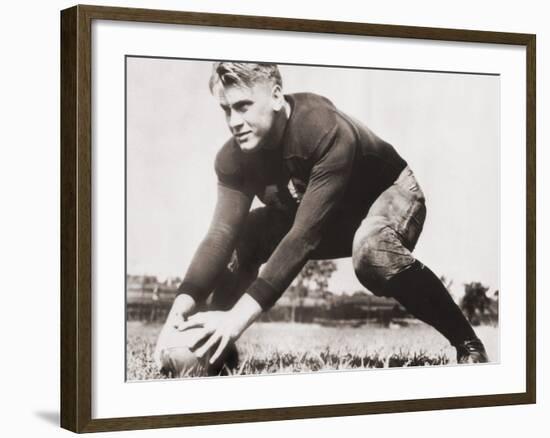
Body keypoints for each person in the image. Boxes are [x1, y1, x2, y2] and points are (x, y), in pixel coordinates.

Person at [154, 62, 488, 374]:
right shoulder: (232, 158)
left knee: (372, 251)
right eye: (225, 109)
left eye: (242, 106)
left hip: (385, 195)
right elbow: (219, 235)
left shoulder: (322, 127)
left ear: (274, 95)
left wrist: (236, 319)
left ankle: (468, 343)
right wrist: (178, 312)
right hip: (319, 215)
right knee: (244, 238)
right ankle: (216, 353)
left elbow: (303, 237)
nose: (233, 121)